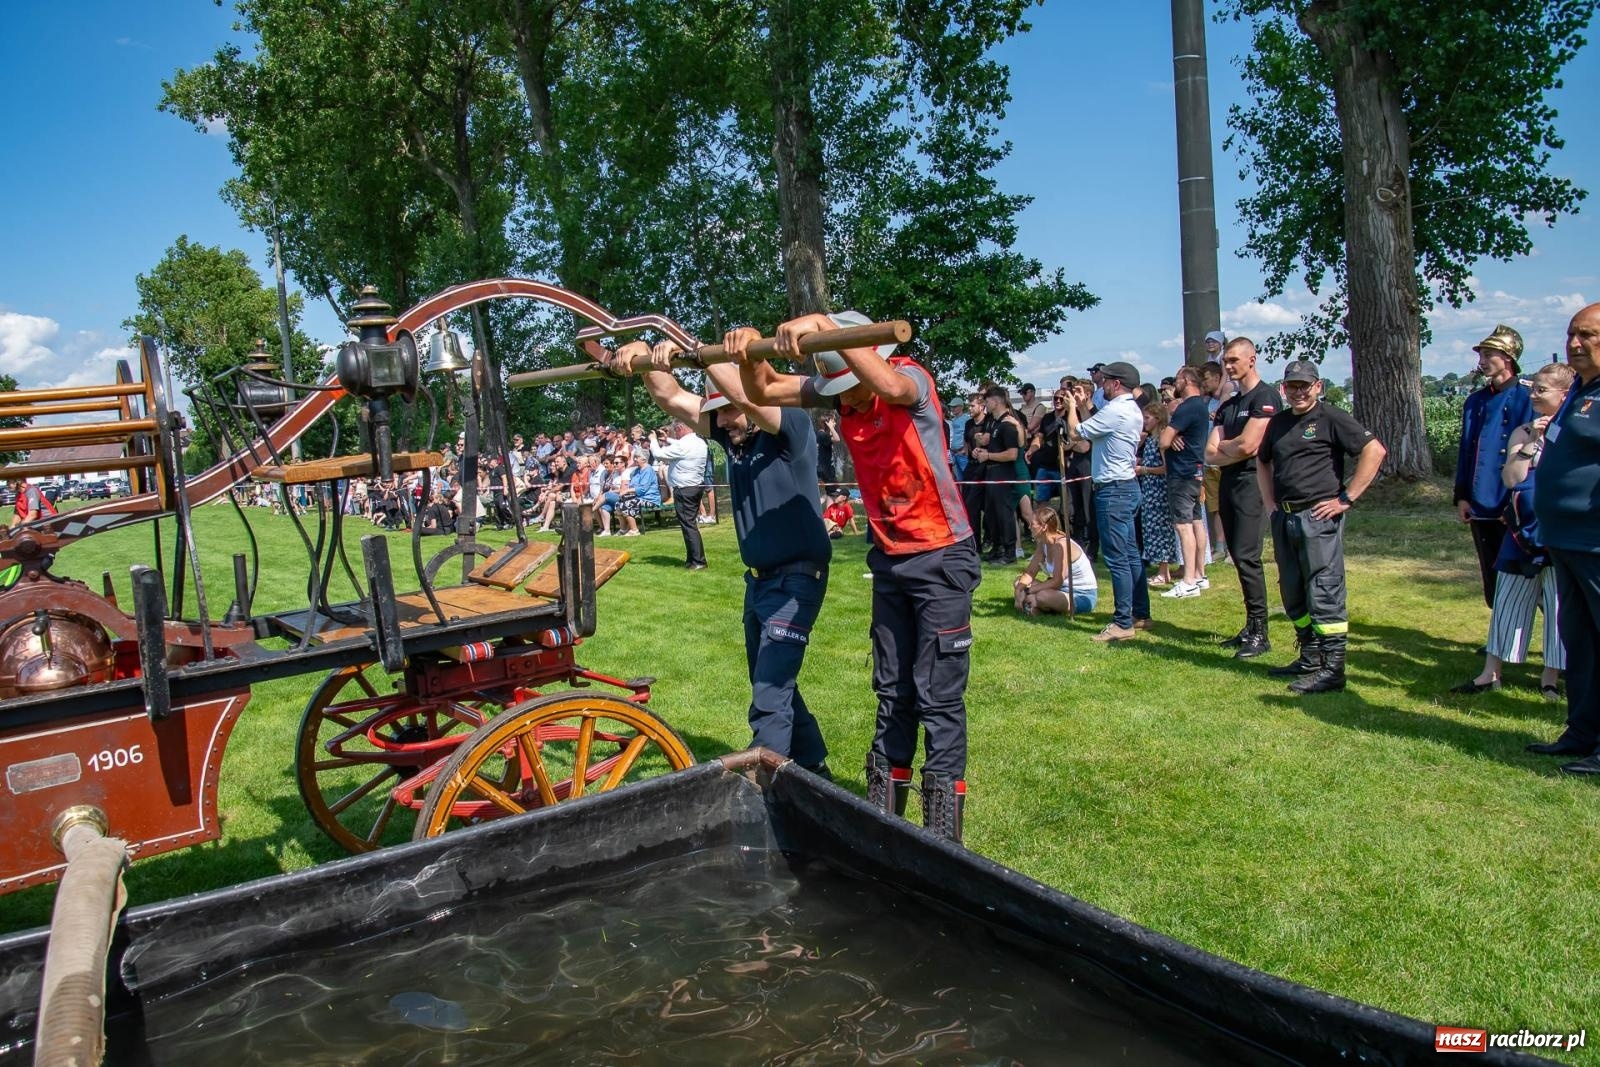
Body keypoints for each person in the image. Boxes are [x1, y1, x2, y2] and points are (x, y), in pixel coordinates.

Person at [740, 311, 978, 844]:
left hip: (941, 556)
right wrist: (747, 353)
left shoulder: (910, 381)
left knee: (937, 696)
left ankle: (943, 837)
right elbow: (767, 388)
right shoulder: (840, 393)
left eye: (848, 392)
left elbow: (888, 382)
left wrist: (822, 322)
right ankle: (884, 824)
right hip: (890, 559)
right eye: (837, 395)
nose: (842, 404)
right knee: (891, 690)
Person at [614, 337, 834, 776]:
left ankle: (760, 786)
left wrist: (691, 347)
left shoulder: (789, 426)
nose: (722, 421)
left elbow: (741, 394)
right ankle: (813, 768)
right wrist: (641, 352)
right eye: (716, 414)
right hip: (760, 582)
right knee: (771, 681)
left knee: (769, 693)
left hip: (797, 580)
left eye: (729, 412)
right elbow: (669, 394)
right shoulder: (734, 434)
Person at [1256, 361, 1386, 693]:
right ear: (1284, 388)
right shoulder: (1280, 423)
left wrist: (1346, 498)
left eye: (1304, 386)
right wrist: (1271, 505)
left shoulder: (1331, 418)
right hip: (1285, 517)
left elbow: (1374, 450)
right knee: (1292, 588)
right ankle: (1310, 656)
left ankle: (1333, 668)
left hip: (1318, 517)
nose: (1297, 392)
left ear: (1318, 386)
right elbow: (1262, 461)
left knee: (1324, 589)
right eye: (1292, 386)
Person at [1451, 362, 1574, 699]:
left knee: (1558, 603)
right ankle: (1491, 673)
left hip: (1559, 532)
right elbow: (1512, 478)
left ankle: (1551, 676)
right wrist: (1532, 441)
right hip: (1522, 532)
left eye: (1541, 390)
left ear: (1565, 394)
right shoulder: (1523, 431)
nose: (1533, 395)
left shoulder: (1576, 431)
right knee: (1508, 599)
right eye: (1532, 388)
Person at [1528, 303, 1600, 772]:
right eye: (1571, 334)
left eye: (1587, 335)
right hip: (1566, 540)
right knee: (1581, 641)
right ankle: (1582, 733)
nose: (1574, 343)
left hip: (1595, 541)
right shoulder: (1580, 391)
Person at [1065, 360, 1149, 642]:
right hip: (1126, 487)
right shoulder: (1129, 409)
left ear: (1116, 383)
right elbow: (1096, 425)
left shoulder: (1116, 410)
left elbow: (1078, 433)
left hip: (1113, 491)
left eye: (1105, 381)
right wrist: (1085, 406)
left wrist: (1073, 409)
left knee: (1117, 559)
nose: (1101, 385)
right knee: (1130, 554)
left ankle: (1123, 622)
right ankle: (1140, 614)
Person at [1205, 339, 1278, 658]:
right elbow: (1208, 452)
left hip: (1254, 484)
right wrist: (1230, 450)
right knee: (1237, 556)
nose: (1229, 366)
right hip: (1229, 482)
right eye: (1226, 361)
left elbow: (1250, 447)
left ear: (1252, 359)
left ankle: (1261, 632)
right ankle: (1250, 625)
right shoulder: (1227, 406)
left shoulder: (1266, 396)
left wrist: (1227, 449)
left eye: (1234, 359)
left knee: (1248, 557)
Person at [1454, 324, 1533, 608]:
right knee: (1491, 571)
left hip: (1512, 498)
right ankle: (1498, 639)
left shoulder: (1528, 396)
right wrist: (1462, 495)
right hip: (1480, 499)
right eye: (1482, 355)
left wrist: (1516, 500)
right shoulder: (1475, 401)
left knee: (1524, 572)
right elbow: (1468, 451)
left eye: (1489, 354)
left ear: (1508, 358)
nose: (1483, 360)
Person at [1160, 366, 1211, 599]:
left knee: (1183, 525)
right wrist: (1177, 437)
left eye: (1178, 379)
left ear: (1187, 379)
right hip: (1196, 471)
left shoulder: (1187, 407)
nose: (1174, 384)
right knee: (1196, 521)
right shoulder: (1200, 406)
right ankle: (1200, 575)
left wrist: (1172, 438)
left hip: (1181, 473)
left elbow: (1163, 440)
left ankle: (1188, 580)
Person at [1012, 505, 1097, 617]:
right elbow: (1030, 572)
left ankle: (1033, 604)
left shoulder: (1061, 545)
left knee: (1042, 596)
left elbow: (1057, 581)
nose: (1029, 527)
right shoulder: (1043, 543)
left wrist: (1028, 591)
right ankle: (1033, 605)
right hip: (1059, 589)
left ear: (1044, 527)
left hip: (1080, 594)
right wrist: (1019, 590)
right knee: (1019, 582)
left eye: (1032, 524)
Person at [650, 420, 710, 570]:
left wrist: (653, 441)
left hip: (684, 489)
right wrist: (667, 439)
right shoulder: (699, 442)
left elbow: (658, 454)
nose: (674, 434)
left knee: (688, 525)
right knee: (689, 523)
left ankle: (698, 561)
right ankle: (692, 559)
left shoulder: (684, 445)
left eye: (675, 431)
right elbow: (680, 445)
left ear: (680, 428)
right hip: (695, 486)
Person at [1136, 401, 1177, 586]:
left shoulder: (1161, 438)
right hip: (1149, 490)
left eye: (1147, 418)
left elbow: (1165, 467)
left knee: (1161, 531)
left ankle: (1163, 572)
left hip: (1158, 492)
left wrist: (1144, 469)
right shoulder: (1151, 439)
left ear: (1157, 418)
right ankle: (1163, 571)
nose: (1144, 421)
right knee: (1152, 530)